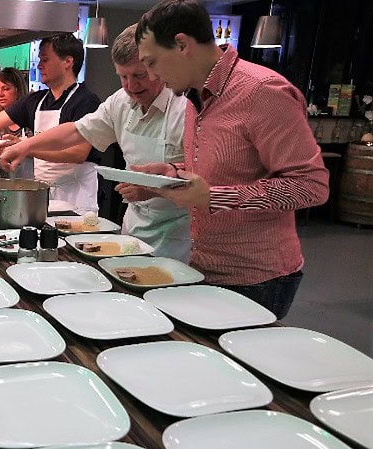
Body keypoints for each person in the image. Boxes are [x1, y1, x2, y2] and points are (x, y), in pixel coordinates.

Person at [132, 0, 329, 318]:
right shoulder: (195, 96)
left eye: (153, 63)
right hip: (204, 268)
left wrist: (213, 197)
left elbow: (311, 186)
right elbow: (222, 170)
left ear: (182, 45)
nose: (152, 76)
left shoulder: (263, 91)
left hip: (257, 278)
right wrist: (169, 175)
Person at [0, 24, 191, 262]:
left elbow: (204, 181)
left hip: (176, 236)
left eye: (139, 75)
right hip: (133, 229)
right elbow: (77, 130)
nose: (130, 86)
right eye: (123, 76)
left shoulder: (185, 109)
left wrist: (154, 188)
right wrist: (24, 146)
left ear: (158, 66)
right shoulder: (120, 102)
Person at [0, 34, 101, 214]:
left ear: (68, 62)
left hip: (77, 200)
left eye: (45, 60)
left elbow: (78, 153)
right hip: (42, 196)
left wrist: (25, 148)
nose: (39, 65)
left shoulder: (86, 101)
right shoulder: (36, 101)